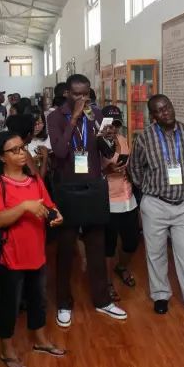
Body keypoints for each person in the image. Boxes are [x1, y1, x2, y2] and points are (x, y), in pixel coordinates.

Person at [47, 74, 127, 327]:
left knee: (96, 247)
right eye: (76, 94)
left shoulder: (97, 114)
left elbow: (107, 151)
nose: (82, 98)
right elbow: (60, 151)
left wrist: (108, 136)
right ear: (67, 94)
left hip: (93, 187)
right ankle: (63, 303)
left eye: (85, 94)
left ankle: (103, 300)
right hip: (68, 188)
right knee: (66, 249)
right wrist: (74, 118)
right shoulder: (55, 117)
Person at [0, 131, 65, 367]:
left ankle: (39, 339)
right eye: (14, 150)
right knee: (10, 304)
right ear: (1, 157)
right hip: (10, 256)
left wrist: (56, 215)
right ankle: (6, 347)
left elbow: (49, 206)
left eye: (22, 148)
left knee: (38, 299)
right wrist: (25, 207)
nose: (22, 153)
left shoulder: (35, 181)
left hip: (36, 252)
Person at [129, 94, 184, 325]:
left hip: (183, 206)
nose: (165, 112)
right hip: (155, 204)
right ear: (153, 116)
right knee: (155, 253)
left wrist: (182, 186)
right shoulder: (145, 138)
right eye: (159, 110)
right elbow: (135, 168)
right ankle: (160, 295)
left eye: (167, 107)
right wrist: (151, 189)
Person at [100, 105, 139, 301]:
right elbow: (89, 172)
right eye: (109, 124)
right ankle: (107, 283)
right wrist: (107, 171)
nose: (113, 128)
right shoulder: (95, 143)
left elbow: (130, 165)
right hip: (108, 200)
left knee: (131, 242)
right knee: (109, 245)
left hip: (128, 199)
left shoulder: (123, 140)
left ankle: (121, 267)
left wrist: (129, 170)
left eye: (116, 124)